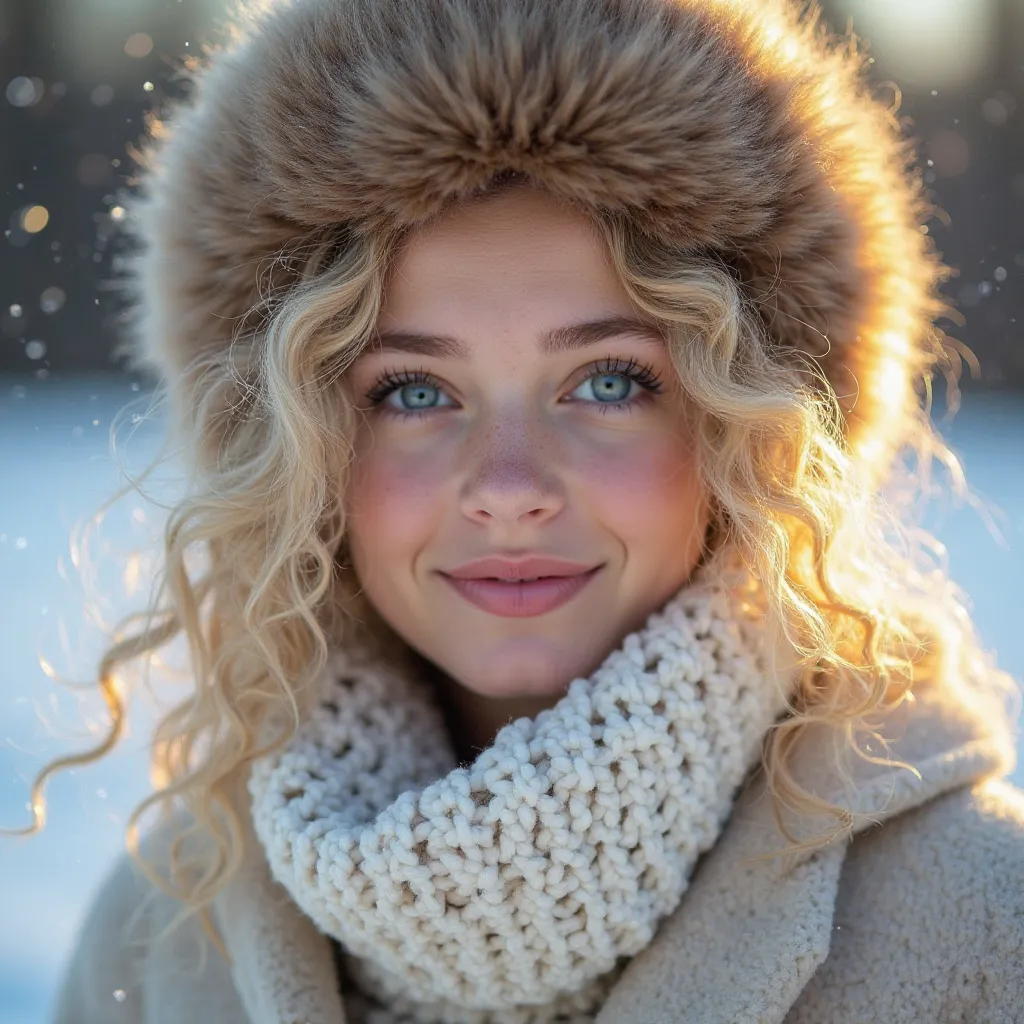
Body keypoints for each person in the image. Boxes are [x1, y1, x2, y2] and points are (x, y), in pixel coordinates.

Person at [21, 0, 1024, 1021]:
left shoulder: (984, 922)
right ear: (299, 450)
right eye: (413, 391)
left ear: (752, 431)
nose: (507, 488)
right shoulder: (162, 938)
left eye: (606, 382)